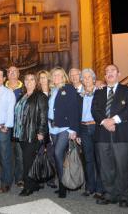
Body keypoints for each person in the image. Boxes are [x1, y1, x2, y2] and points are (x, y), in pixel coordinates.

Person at [91, 65, 128, 208]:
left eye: (112, 71)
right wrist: (104, 122)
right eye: (107, 72)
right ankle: (109, 194)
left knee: (122, 167)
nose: (109, 73)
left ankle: (124, 196)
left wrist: (113, 120)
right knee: (105, 167)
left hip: (122, 135)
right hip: (102, 135)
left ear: (118, 73)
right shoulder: (99, 92)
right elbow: (94, 110)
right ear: (104, 76)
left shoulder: (127, 90)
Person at [14, 73, 48, 196]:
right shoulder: (22, 96)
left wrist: (41, 132)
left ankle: (28, 186)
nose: (29, 81)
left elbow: (43, 115)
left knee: (27, 161)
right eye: (26, 79)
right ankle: (34, 184)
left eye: (32, 79)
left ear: (36, 82)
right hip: (21, 134)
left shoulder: (40, 96)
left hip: (32, 134)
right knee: (30, 160)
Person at [48, 67, 79, 198]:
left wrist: (73, 129)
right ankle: (63, 182)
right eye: (54, 75)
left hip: (65, 128)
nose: (56, 77)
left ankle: (62, 186)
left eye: (59, 75)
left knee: (57, 153)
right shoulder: (53, 91)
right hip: (53, 127)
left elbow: (74, 109)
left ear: (63, 76)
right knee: (58, 157)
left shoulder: (69, 89)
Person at [77, 68, 104, 199]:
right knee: (88, 160)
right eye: (84, 77)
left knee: (99, 159)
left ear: (94, 79)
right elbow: (76, 115)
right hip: (83, 129)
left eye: (89, 77)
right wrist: (77, 134)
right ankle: (89, 187)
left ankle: (100, 189)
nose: (86, 79)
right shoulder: (79, 94)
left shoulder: (100, 91)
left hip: (97, 127)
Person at [36, 70, 57, 189]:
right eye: (41, 78)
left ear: (48, 79)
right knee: (39, 153)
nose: (43, 80)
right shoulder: (37, 93)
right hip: (40, 127)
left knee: (51, 154)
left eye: (45, 77)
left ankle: (51, 178)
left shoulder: (53, 92)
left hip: (52, 127)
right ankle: (40, 178)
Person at [6, 65, 24, 188]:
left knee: (20, 154)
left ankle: (20, 178)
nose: (12, 73)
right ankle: (7, 178)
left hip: (20, 127)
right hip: (5, 126)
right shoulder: (1, 88)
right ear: (7, 74)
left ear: (18, 74)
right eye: (10, 71)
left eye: (14, 71)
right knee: (6, 153)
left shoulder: (25, 89)